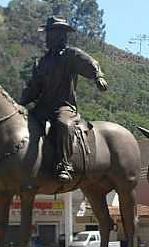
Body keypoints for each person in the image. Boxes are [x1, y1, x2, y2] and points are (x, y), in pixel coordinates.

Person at [20, 16, 108, 182]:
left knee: (62, 124)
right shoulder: (42, 62)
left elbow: (90, 63)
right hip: (43, 108)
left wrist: (98, 77)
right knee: (24, 123)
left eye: (51, 33)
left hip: (64, 107)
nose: (47, 37)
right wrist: (19, 105)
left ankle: (65, 165)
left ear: (61, 35)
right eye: (48, 33)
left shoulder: (71, 55)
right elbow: (33, 89)